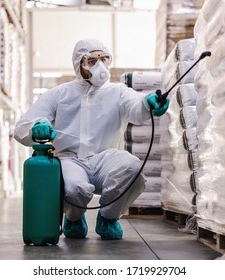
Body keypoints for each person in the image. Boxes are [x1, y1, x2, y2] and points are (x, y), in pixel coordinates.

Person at [14, 38, 169, 240]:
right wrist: (37, 128)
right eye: (92, 61)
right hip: (70, 159)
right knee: (73, 188)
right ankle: (74, 218)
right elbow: (22, 126)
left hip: (106, 158)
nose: (100, 67)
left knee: (132, 167)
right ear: (79, 64)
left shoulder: (118, 92)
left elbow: (135, 105)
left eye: (104, 59)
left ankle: (108, 218)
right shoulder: (60, 94)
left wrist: (147, 104)